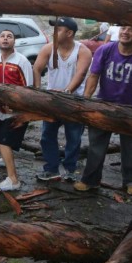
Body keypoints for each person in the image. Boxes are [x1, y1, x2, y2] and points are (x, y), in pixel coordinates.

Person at [74, 26, 132, 196]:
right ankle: (90, 181)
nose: (125, 32)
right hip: (104, 105)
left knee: (131, 148)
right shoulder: (105, 50)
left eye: (131, 29)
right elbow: (93, 76)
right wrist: (85, 100)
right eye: (123, 28)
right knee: (96, 147)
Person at [33, 17, 92, 182]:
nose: (54, 32)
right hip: (51, 101)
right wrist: (38, 92)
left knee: (73, 137)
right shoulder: (48, 48)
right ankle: (51, 169)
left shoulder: (83, 51)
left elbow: (80, 75)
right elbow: (36, 69)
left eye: (58, 29)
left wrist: (66, 92)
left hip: (74, 101)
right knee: (47, 136)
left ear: (69, 33)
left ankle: (70, 169)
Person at [0, 29, 33, 191]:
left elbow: (29, 89)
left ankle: (13, 180)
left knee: (2, 140)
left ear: (14, 41)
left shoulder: (22, 62)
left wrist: (18, 106)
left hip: (16, 112)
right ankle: (4, 158)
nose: (5, 39)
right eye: (2, 36)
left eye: (10, 36)